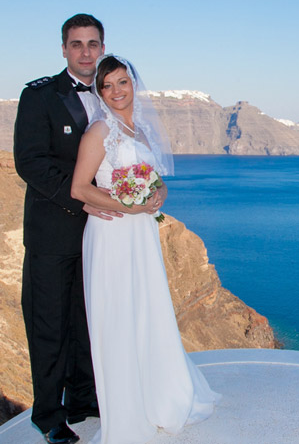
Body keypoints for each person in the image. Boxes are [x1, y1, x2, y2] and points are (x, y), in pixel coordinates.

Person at [71, 54, 220, 444]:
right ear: (99, 91)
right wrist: (128, 206)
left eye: (123, 82)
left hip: (141, 235)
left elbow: (154, 180)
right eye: (108, 85)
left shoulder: (138, 131)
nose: (117, 91)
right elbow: (80, 188)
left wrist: (160, 193)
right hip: (112, 235)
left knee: (147, 309)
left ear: (133, 84)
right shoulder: (100, 131)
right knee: (118, 316)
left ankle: (158, 395)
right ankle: (127, 411)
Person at [14, 14, 122, 444]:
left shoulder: (110, 95)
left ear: (102, 47)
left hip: (101, 235)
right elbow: (30, 162)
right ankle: (48, 416)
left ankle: (83, 399)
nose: (85, 52)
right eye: (76, 44)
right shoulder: (39, 96)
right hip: (53, 234)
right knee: (49, 325)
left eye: (92, 44)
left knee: (85, 320)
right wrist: (82, 200)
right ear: (64, 49)